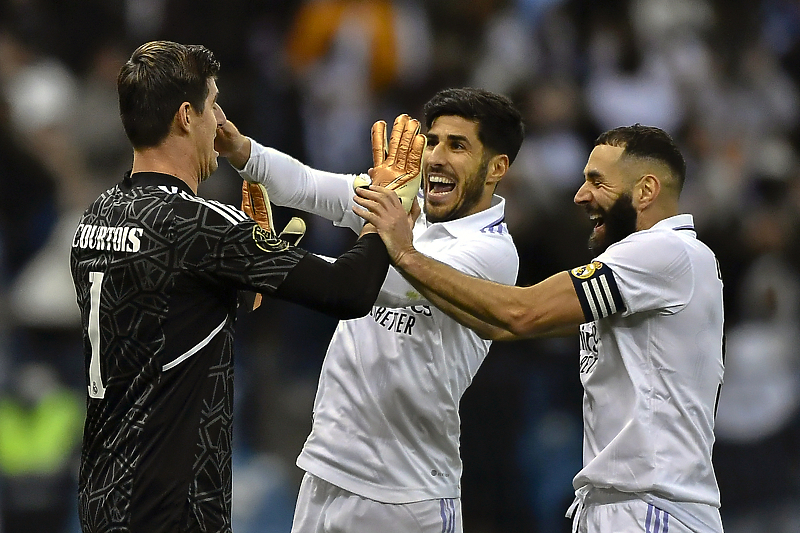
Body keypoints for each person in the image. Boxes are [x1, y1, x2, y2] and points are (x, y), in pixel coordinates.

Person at [69, 40, 415, 533]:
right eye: (213, 105)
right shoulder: (200, 223)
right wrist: (384, 207)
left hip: (103, 495)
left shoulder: (97, 215)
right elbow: (347, 290)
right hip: (173, 504)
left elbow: (172, 313)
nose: (219, 120)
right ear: (187, 116)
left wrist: (244, 271)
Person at [356, 124, 725, 533]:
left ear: (645, 191)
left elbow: (521, 312)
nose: (580, 195)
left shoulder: (666, 251)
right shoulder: (654, 268)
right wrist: (410, 251)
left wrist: (406, 252)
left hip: (652, 509)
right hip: (625, 506)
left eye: (596, 182)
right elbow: (497, 325)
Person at [215, 87, 524, 532]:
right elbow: (306, 184)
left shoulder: (492, 253)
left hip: (405, 495)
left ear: (497, 167)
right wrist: (241, 150)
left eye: (458, 146)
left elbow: (379, 284)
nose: (436, 157)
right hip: (326, 468)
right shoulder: (404, 202)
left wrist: (263, 257)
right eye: (432, 141)